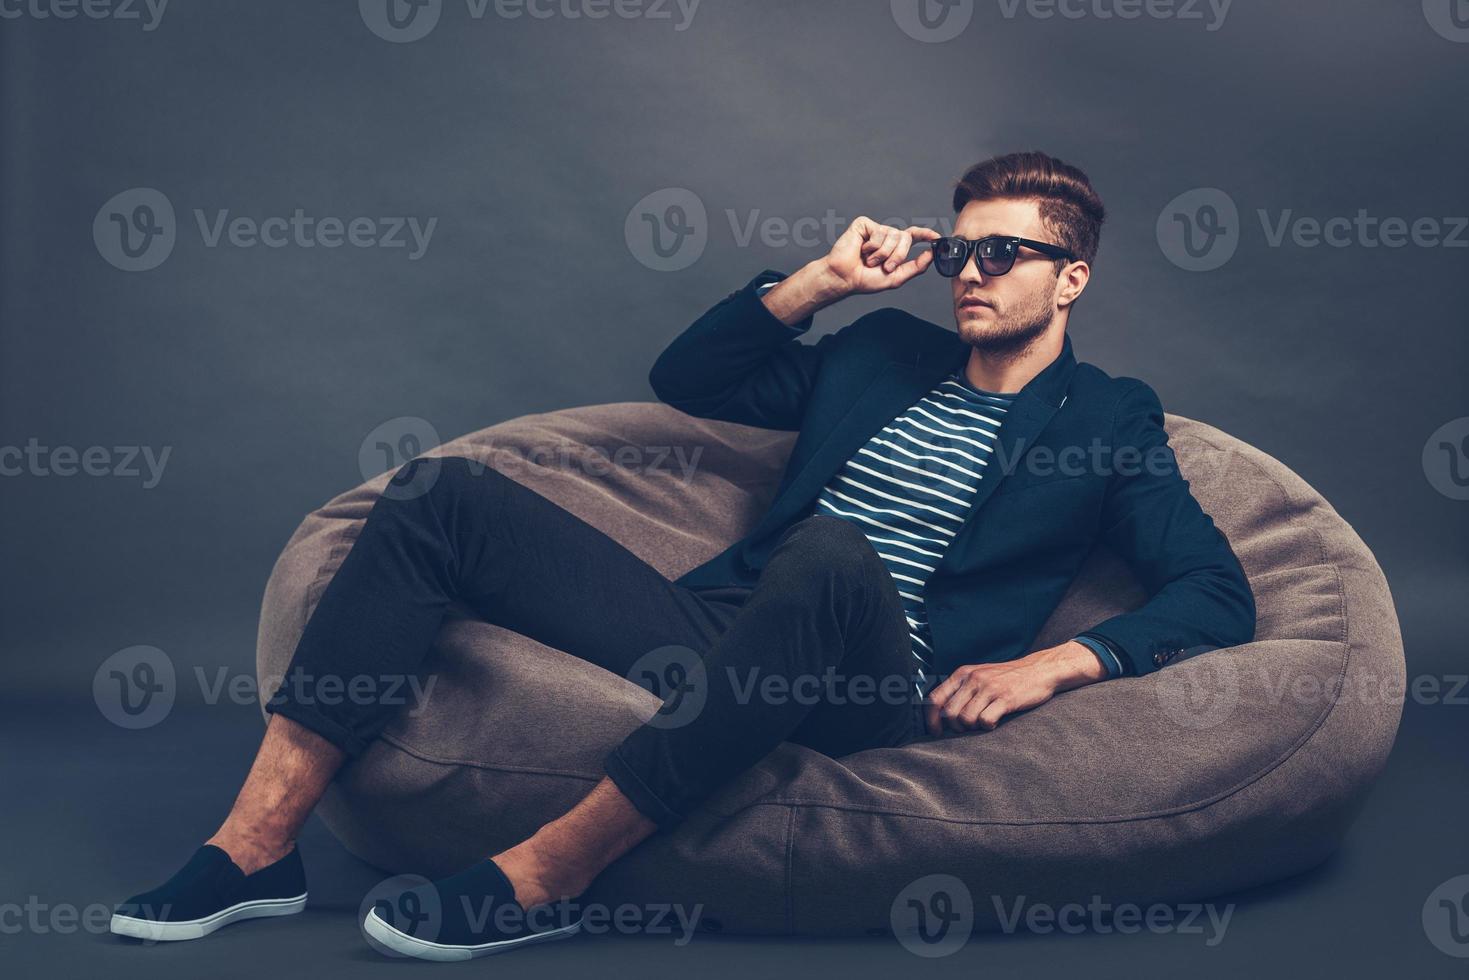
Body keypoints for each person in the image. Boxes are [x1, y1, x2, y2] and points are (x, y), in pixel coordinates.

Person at [110, 150, 1254, 960]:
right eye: (960, 244)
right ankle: (257, 846)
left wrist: (1052, 665)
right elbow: (690, 380)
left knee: (832, 550)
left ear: (1070, 278)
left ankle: (547, 875)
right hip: (723, 630)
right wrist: (818, 282)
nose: (971, 268)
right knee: (437, 493)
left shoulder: (1107, 417)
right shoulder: (885, 354)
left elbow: (1211, 589)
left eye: (1007, 251)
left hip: (874, 676)